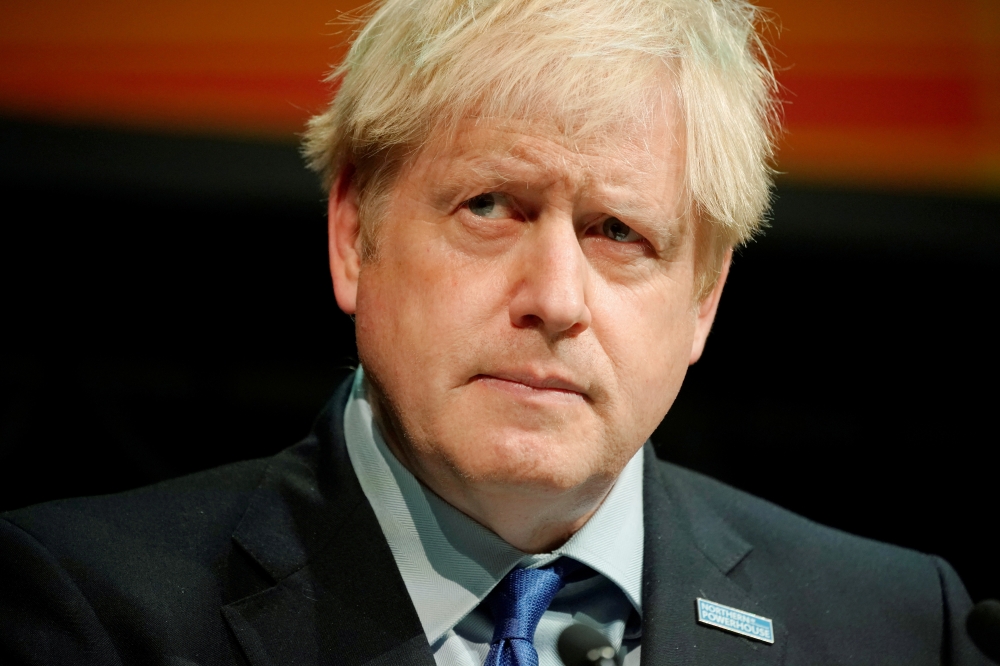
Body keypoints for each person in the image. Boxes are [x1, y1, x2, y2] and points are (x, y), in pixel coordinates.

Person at [0, 0, 990, 664]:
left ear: (703, 299)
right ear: (355, 232)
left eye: (619, 232)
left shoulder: (900, 627)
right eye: (490, 207)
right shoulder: (87, 609)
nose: (554, 298)